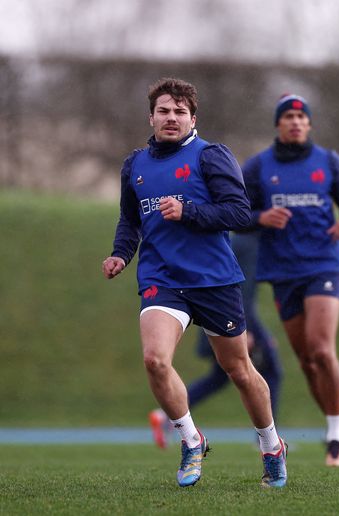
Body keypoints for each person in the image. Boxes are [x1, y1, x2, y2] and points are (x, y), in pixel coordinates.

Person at [102, 78, 287, 488]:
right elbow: (130, 219)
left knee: (238, 369)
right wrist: (120, 253)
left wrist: (189, 211)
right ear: (151, 117)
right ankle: (191, 440)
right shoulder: (135, 165)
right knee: (154, 359)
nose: (172, 118)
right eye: (164, 111)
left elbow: (239, 213)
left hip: (214, 279)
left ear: (192, 118)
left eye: (180, 111)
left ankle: (271, 445)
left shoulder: (211, 156)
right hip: (161, 278)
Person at [244, 94, 339, 466]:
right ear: (278, 124)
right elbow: (234, 213)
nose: (296, 121)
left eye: (301, 116)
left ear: (309, 123)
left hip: (325, 264)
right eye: (289, 116)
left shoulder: (329, 162)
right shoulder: (258, 167)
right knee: (307, 361)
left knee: (321, 347)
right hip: (283, 272)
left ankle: (335, 435)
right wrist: (261, 217)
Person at [149, 230, 283, 449]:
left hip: (220, 314)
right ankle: (268, 441)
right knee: (272, 372)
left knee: (219, 377)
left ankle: (165, 416)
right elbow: (243, 292)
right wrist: (250, 331)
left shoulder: (241, 241)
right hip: (231, 318)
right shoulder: (249, 244)